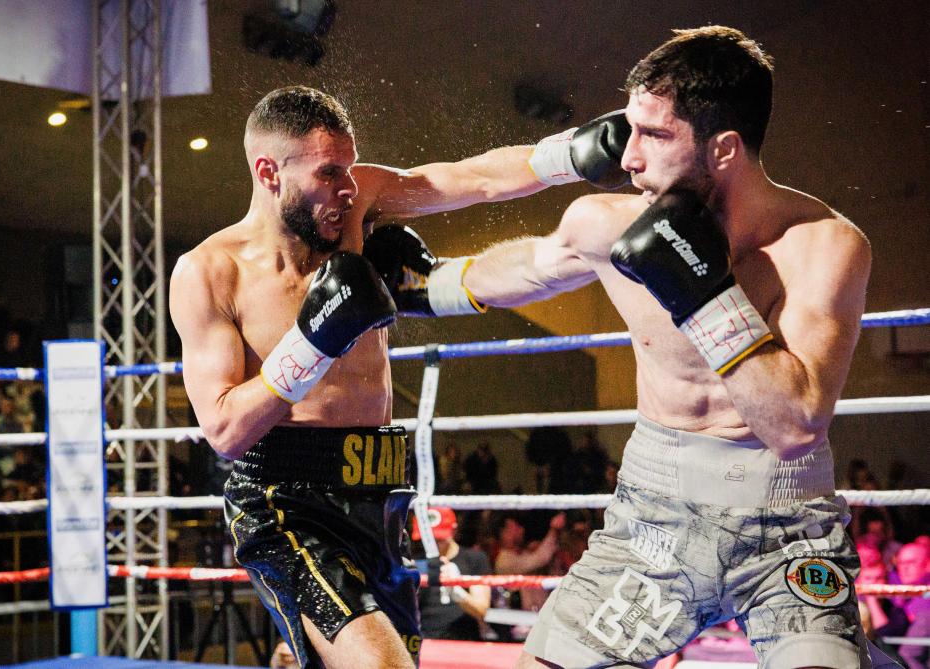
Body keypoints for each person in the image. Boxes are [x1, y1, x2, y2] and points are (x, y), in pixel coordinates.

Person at [452, 26, 889, 669]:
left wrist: (703, 293)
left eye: (653, 135)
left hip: (786, 531)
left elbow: (795, 425)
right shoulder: (609, 223)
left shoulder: (826, 246)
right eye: (629, 130)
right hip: (653, 520)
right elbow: (532, 268)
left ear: (724, 149)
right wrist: (413, 284)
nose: (627, 158)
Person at [169, 86, 627, 668]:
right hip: (287, 501)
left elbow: (470, 179)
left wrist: (569, 155)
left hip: (381, 493)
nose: (349, 188)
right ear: (268, 173)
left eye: (350, 168)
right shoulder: (211, 272)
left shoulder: (354, 207)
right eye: (328, 172)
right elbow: (225, 429)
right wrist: (312, 343)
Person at [413, 506, 492, 641]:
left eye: (439, 538)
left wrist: (456, 591)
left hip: (464, 640)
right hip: (425, 640)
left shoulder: (474, 559)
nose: (433, 544)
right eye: (428, 538)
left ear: (454, 530)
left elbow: (481, 610)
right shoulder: (415, 562)